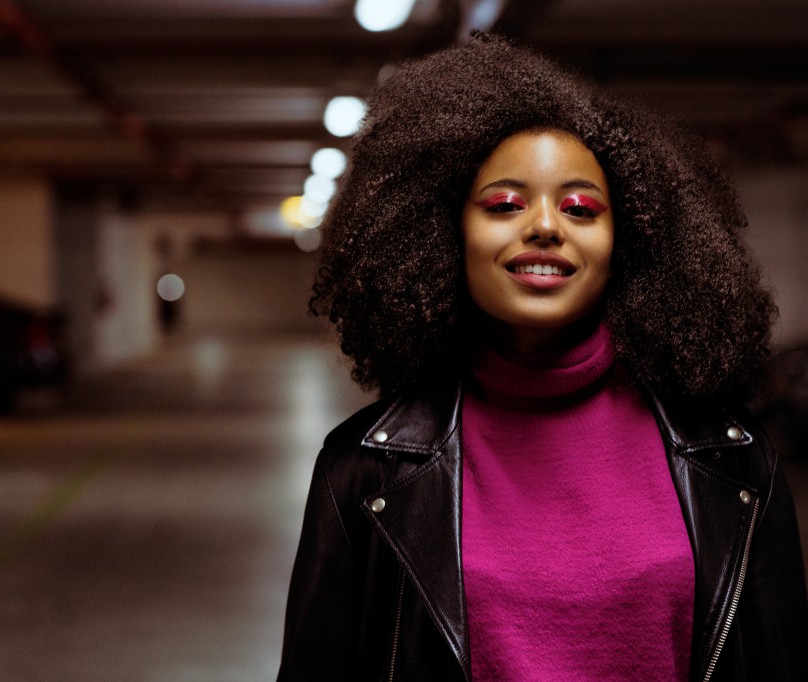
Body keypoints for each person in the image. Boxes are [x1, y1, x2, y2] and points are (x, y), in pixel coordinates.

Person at [277, 35, 808, 681]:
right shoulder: (363, 471)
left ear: (627, 241)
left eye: (581, 208)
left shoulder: (735, 460)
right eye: (505, 204)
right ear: (443, 232)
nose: (547, 226)